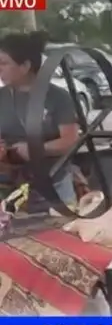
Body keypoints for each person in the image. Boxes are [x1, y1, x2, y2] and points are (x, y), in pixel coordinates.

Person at [0, 31, 79, 206]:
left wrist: (37, 149)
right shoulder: (2, 97)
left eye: (4, 63)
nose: (0, 68)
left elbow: (70, 140)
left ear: (25, 66)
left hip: (54, 186)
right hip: (10, 187)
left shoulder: (57, 97)